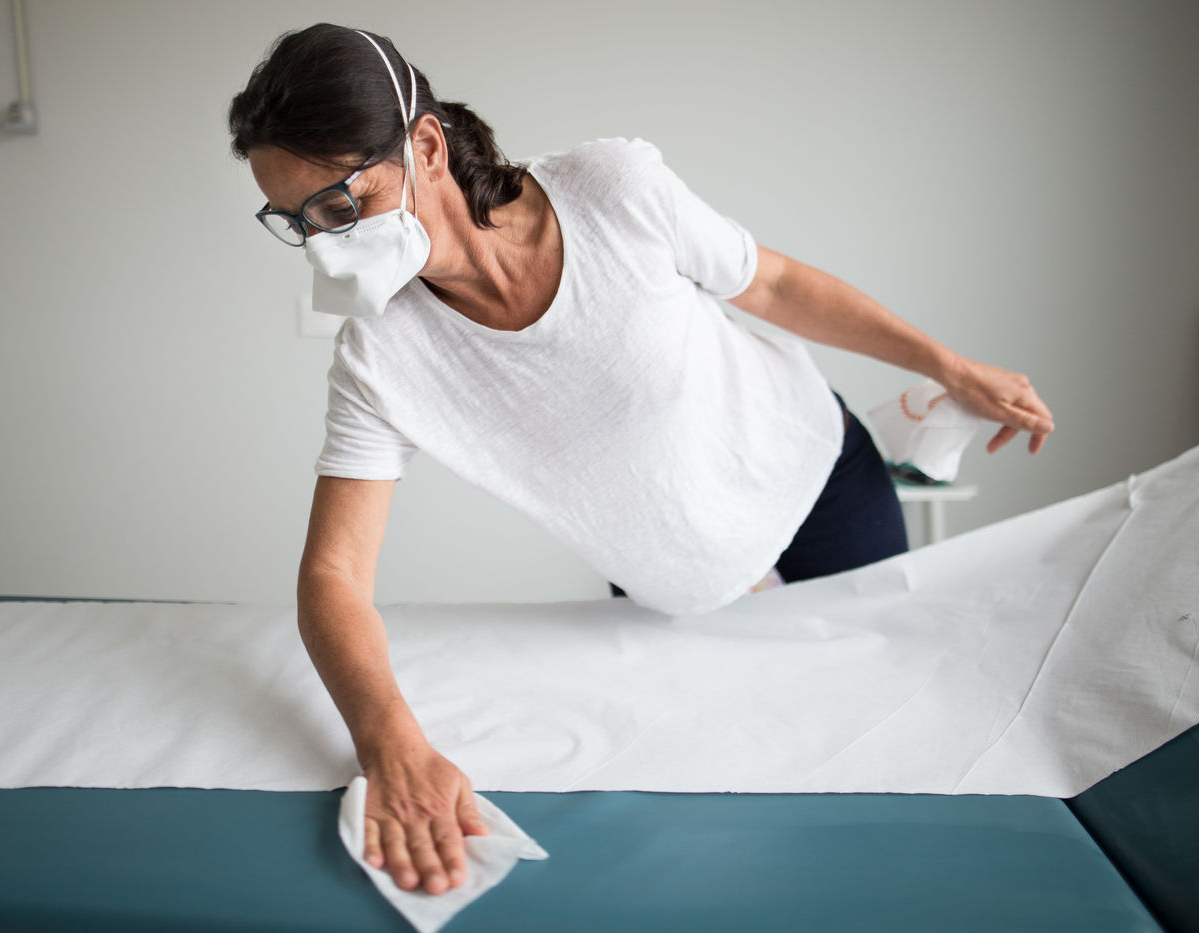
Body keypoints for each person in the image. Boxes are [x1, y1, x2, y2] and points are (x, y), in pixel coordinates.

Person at [226, 23, 1054, 897]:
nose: (324, 243)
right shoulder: (381, 357)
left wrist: (948, 366)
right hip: (671, 586)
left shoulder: (608, 190)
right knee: (729, 836)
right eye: (297, 222)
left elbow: (772, 284)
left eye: (340, 206)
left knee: (890, 745)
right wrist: (389, 740)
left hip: (816, 482)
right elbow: (333, 576)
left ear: (425, 147)